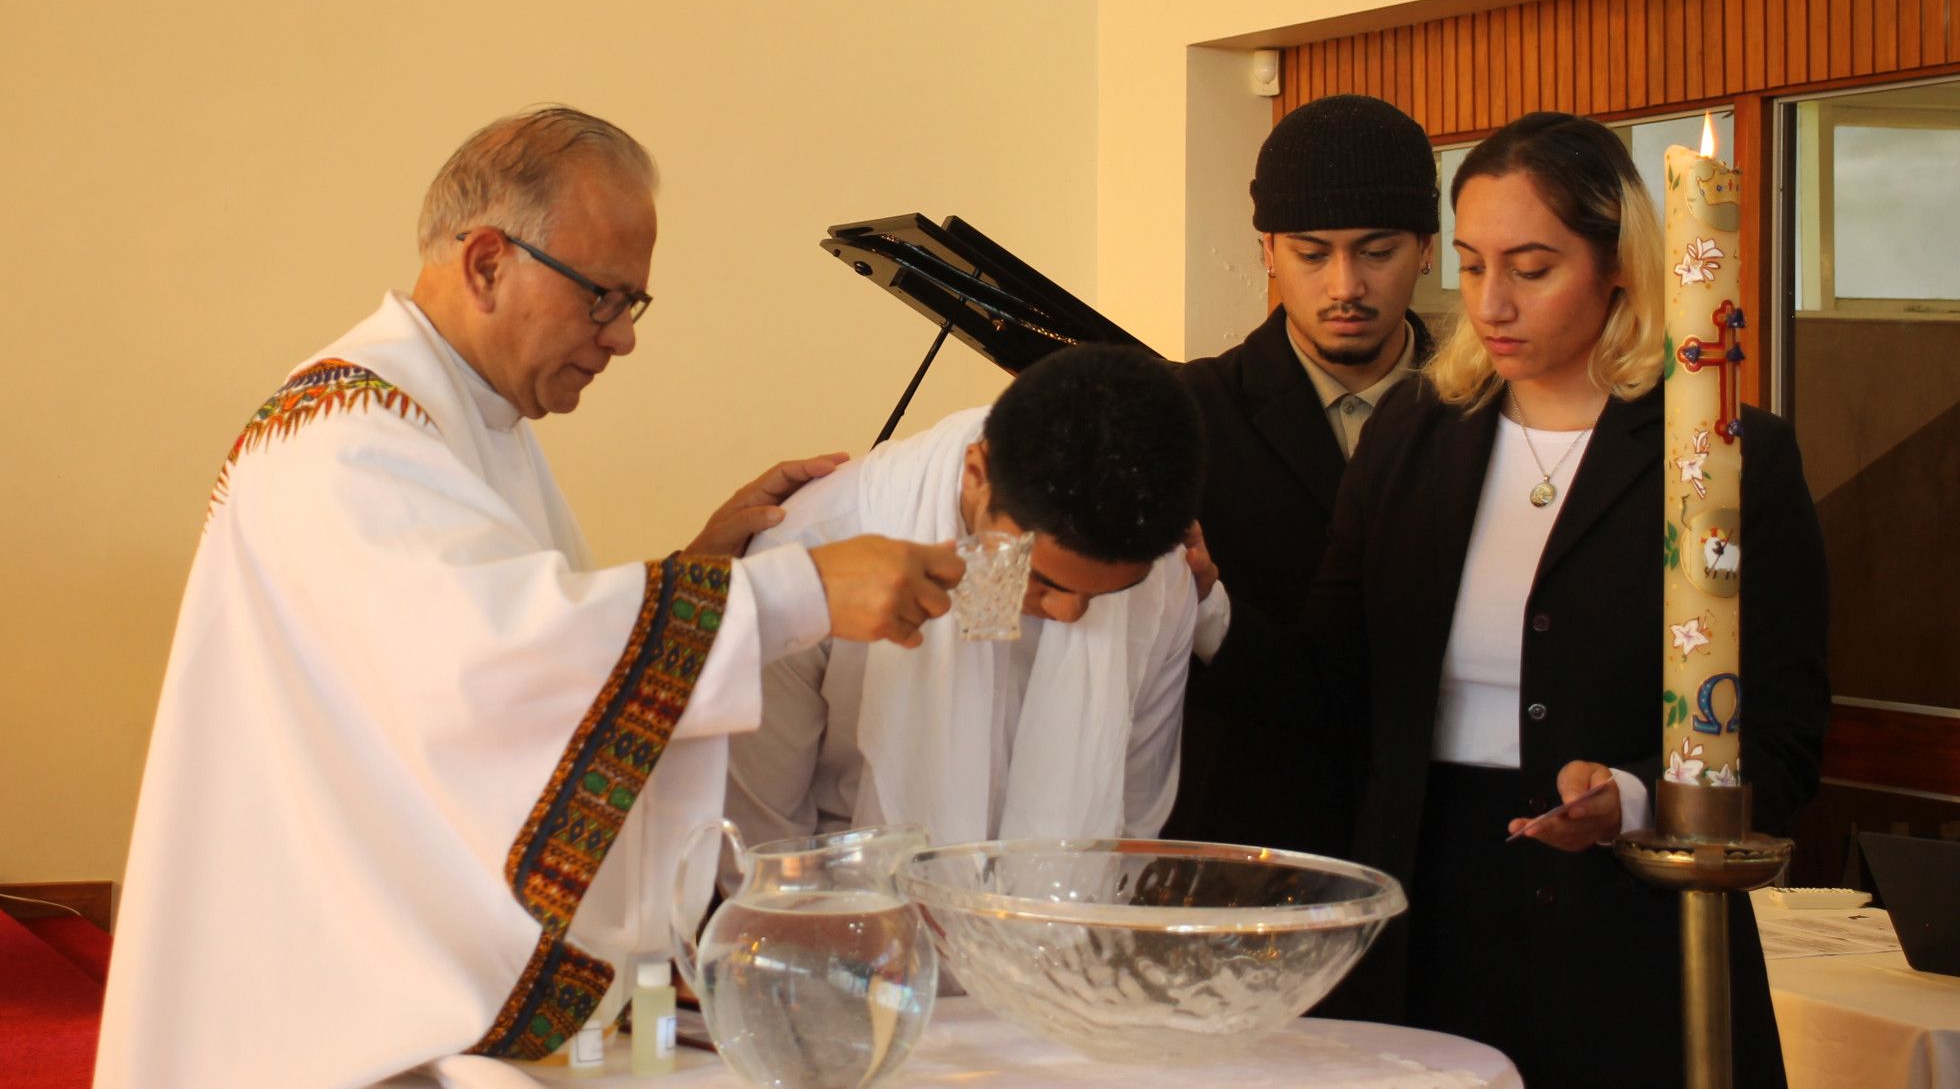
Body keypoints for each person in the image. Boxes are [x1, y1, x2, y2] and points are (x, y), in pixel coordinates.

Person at [94, 108, 965, 1089]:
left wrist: (704, 566)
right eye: (604, 298)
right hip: (317, 1014)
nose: (622, 337)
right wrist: (795, 591)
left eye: (634, 303)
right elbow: (490, 669)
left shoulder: (453, 418)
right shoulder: (347, 439)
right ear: (486, 264)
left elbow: (524, 654)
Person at [1211, 111, 1829, 1087]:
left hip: (1623, 927)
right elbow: (1330, 685)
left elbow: (1784, 736)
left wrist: (1634, 795)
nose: (1490, 302)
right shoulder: (1416, 429)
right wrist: (1204, 605)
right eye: (1470, 265)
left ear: (1616, 264)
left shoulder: (1720, 451)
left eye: (1531, 268)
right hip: (1423, 908)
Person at [724, 343, 1208, 856]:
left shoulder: (1164, 577)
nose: (1071, 613)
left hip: (1064, 901)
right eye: (1044, 580)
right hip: (836, 891)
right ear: (977, 477)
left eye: (1111, 594)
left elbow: (1131, 828)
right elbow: (758, 848)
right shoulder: (811, 551)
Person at [1168, 94, 1439, 857]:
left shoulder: (1488, 410)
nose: (1344, 286)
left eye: (1377, 252)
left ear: (1427, 248)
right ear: (1268, 251)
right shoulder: (1189, 414)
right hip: (1243, 842)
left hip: (1440, 845)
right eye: (1312, 255)